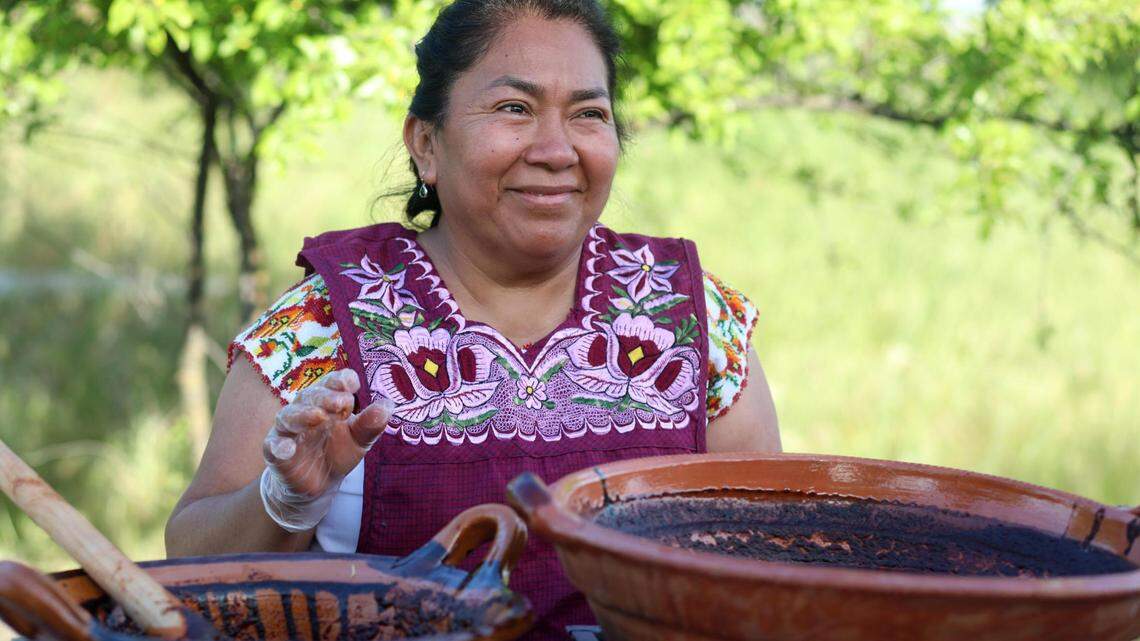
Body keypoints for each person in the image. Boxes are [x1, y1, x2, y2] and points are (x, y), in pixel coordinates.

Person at [165, 1, 780, 638]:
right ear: (426, 143)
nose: (555, 149)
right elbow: (190, 562)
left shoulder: (687, 313)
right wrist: (286, 499)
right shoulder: (323, 322)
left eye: (589, 114)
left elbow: (771, 556)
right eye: (515, 108)